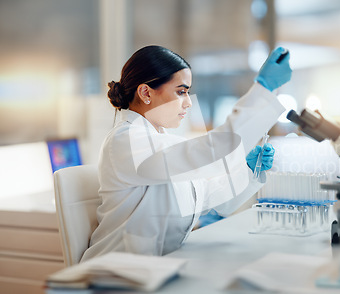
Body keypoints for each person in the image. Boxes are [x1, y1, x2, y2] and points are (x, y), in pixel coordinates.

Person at [80, 45, 291, 261]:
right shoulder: (126, 141)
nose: (188, 102)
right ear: (145, 93)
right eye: (181, 91)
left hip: (154, 267)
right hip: (114, 273)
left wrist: (247, 170)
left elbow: (214, 199)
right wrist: (263, 89)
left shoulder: (160, 142)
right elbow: (212, 149)